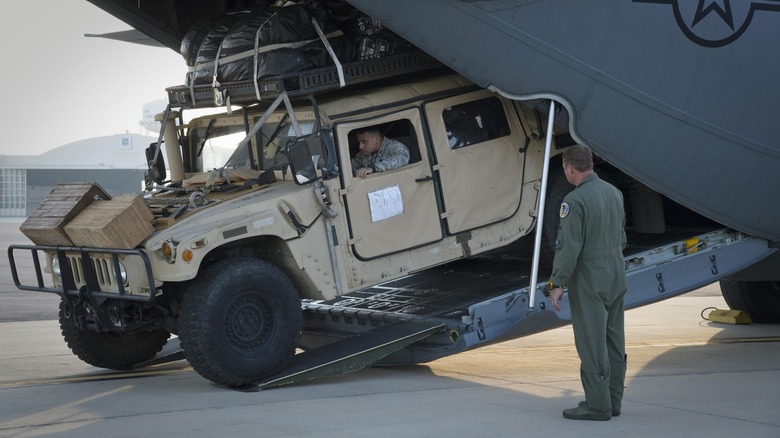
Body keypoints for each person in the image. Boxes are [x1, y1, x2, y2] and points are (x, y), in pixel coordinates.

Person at [547, 144, 628, 421]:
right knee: (614, 340)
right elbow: (622, 238)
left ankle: (597, 405)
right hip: (616, 272)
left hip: (591, 278)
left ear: (570, 168)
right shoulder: (614, 193)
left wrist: (557, 283)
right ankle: (613, 401)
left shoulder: (575, 201)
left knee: (592, 342)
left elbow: (569, 247)